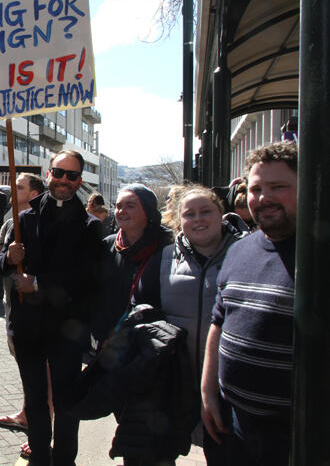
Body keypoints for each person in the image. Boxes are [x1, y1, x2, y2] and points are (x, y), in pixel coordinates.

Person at [0, 150, 103, 466]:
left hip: (66, 332)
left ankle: (65, 461)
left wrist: (39, 283)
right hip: (29, 329)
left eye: (71, 176)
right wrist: (9, 258)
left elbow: (86, 279)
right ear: (48, 175)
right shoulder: (23, 219)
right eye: (59, 173)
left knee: (67, 403)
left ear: (79, 181)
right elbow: (1, 265)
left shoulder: (89, 226)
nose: (64, 181)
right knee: (35, 403)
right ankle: (41, 458)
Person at [131, 185, 245, 464]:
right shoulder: (163, 258)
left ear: (221, 214)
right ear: (178, 220)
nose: (198, 219)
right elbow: (139, 310)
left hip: (228, 391)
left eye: (206, 211)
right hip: (174, 387)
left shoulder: (246, 255)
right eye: (189, 214)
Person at [201, 141, 297, 466]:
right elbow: (219, 321)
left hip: (295, 439)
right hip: (234, 428)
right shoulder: (239, 250)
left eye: (278, 187)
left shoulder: (317, 254)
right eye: (256, 188)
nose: (263, 198)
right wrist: (209, 393)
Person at [0, 173, 45, 438]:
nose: (14, 189)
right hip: (12, 305)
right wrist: (8, 258)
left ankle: (45, 420)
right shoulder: (11, 224)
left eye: (20, 187)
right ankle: (26, 412)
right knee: (22, 363)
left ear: (34, 194)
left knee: (42, 370)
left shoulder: (44, 224)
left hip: (39, 311)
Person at [91, 183, 175, 345]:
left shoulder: (167, 247)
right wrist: (101, 333)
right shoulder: (107, 246)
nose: (122, 211)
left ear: (148, 211)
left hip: (152, 343)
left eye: (130, 206)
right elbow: (95, 293)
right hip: (110, 341)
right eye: (118, 206)